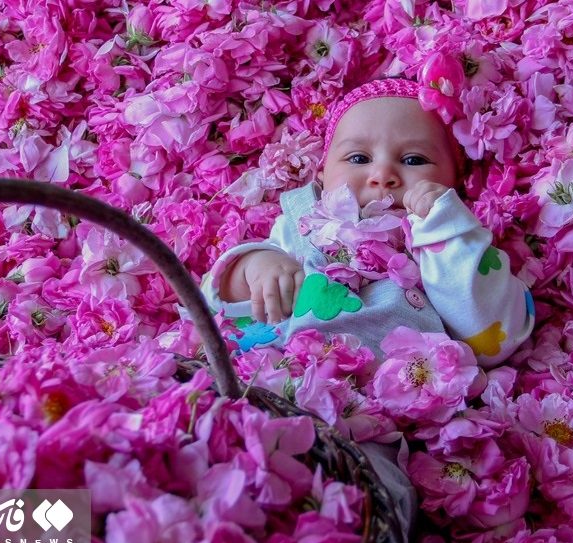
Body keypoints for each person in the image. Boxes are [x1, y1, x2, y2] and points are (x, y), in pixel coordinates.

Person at [200, 77, 535, 366]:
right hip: (285, 376)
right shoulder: (303, 224)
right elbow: (217, 300)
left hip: (399, 392)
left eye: (414, 160)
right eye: (359, 158)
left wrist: (446, 228)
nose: (383, 174)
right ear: (322, 175)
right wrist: (256, 267)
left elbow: (494, 339)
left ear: (453, 183)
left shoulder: (453, 240)